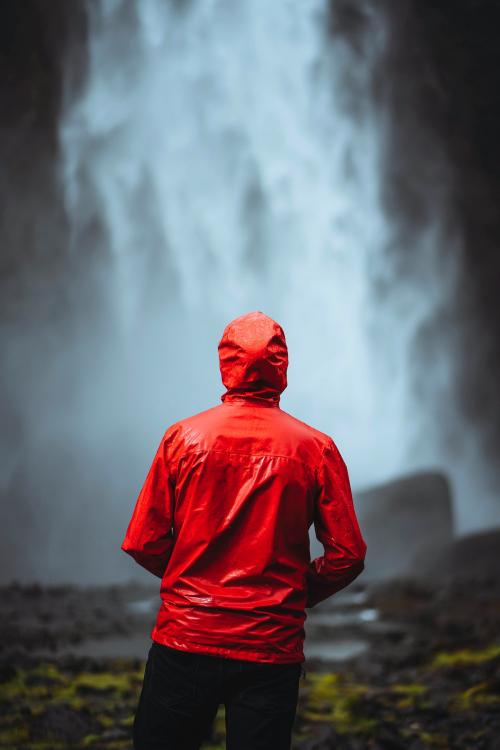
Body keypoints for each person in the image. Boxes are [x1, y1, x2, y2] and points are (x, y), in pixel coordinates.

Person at [121, 310, 367, 750]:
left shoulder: (182, 438)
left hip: (186, 637)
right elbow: (347, 553)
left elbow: (143, 540)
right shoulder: (316, 449)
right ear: (282, 368)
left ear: (225, 364)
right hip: (270, 646)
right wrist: (291, 592)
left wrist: (192, 580)